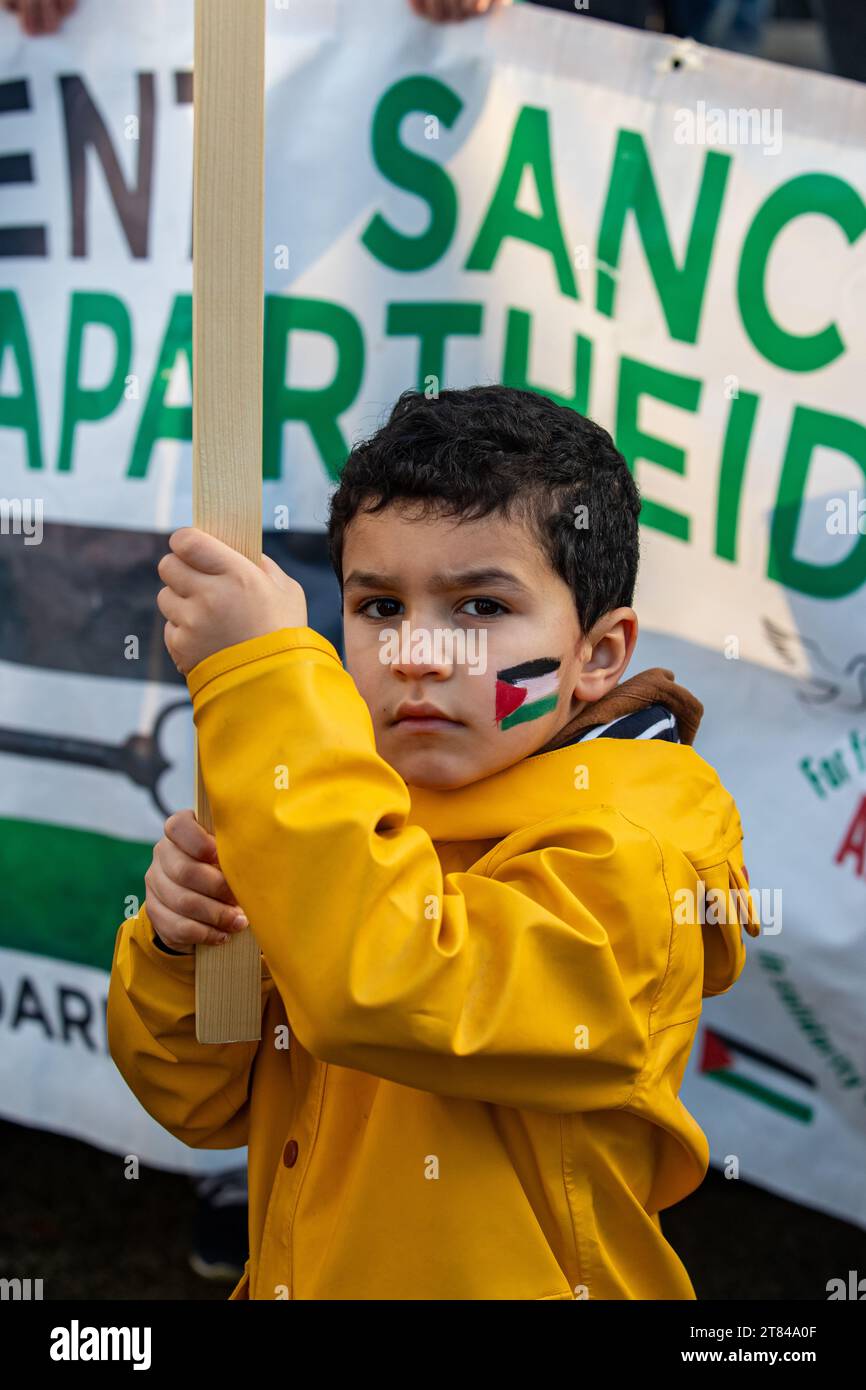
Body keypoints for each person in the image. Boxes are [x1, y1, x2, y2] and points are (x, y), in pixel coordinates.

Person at [107, 385, 759, 1300]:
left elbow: (384, 981)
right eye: (377, 606)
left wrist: (261, 683)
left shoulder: (636, 855)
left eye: (481, 609)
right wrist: (181, 950)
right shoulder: (339, 819)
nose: (415, 650)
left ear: (599, 655)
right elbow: (196, 1103)